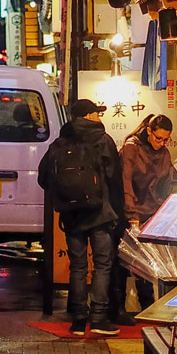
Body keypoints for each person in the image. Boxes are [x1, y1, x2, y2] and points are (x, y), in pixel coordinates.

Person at [39, 97, 124, 337]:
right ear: (87, 116)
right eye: (96, 113)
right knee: (102, 265)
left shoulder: (60, 142)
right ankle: (98, 317)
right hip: (101, 213)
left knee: (77, 266)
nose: (99, 116)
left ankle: (78, 319)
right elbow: (114, 179)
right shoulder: (103, 141)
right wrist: (118, 211)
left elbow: (43, 177)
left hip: (72, 214)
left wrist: (66, 196)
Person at [121, 113, 177, 307]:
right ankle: (137, 306)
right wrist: (131, 216)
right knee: (133, 263)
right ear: (149, 131)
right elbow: (125, 183)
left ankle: (151, 306)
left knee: (151, 264)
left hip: (154, 215)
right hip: (133, 214)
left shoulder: (164, 153)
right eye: (158, 138)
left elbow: (171, 180)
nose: (161, 143)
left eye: (166, 139)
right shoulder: (131, 148)